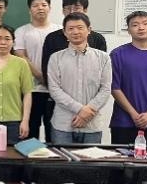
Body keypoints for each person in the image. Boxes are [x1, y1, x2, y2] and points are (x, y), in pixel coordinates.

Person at [47, 12, 111, 144]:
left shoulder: (103, 58)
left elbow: (105, 89)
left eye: (80, 27)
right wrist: (81, 110)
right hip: (63, 125)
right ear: (64, 32)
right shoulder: (56, 58)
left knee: (91, 158)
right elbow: (54, 90)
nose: (75, 32)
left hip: (92, 125)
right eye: (70, 28)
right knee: (62, 158)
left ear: (89, 30)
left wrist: (88, 112)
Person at [13, 0, 61, 141]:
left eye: (44, 5)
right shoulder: (22, 31)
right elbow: (21, 56)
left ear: (50, 8)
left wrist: (51, 80)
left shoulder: (60, 31)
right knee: (30, 132)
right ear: (29, 10)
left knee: (53, 133)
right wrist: (41, 77)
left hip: (56, 90)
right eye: (35, 5)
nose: (40, 8)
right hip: (31, 90)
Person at [110, 11, 147, 144]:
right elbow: (114, 88)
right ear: (128, 30)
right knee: (121, 156)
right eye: (135, 25)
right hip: (124, 123)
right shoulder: (117, 54)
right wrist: (134, 114)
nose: (141, 27)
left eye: (145, 23)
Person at [41, 0, 107, 84]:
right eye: (68, 8)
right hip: (59, 89)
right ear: (63, 11)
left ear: (85, 10)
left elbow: (101, 71)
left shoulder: (98, 39)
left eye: (76, 8)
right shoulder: (52, 38)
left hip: (90, 89)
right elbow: (47, 70)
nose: (72, 12)